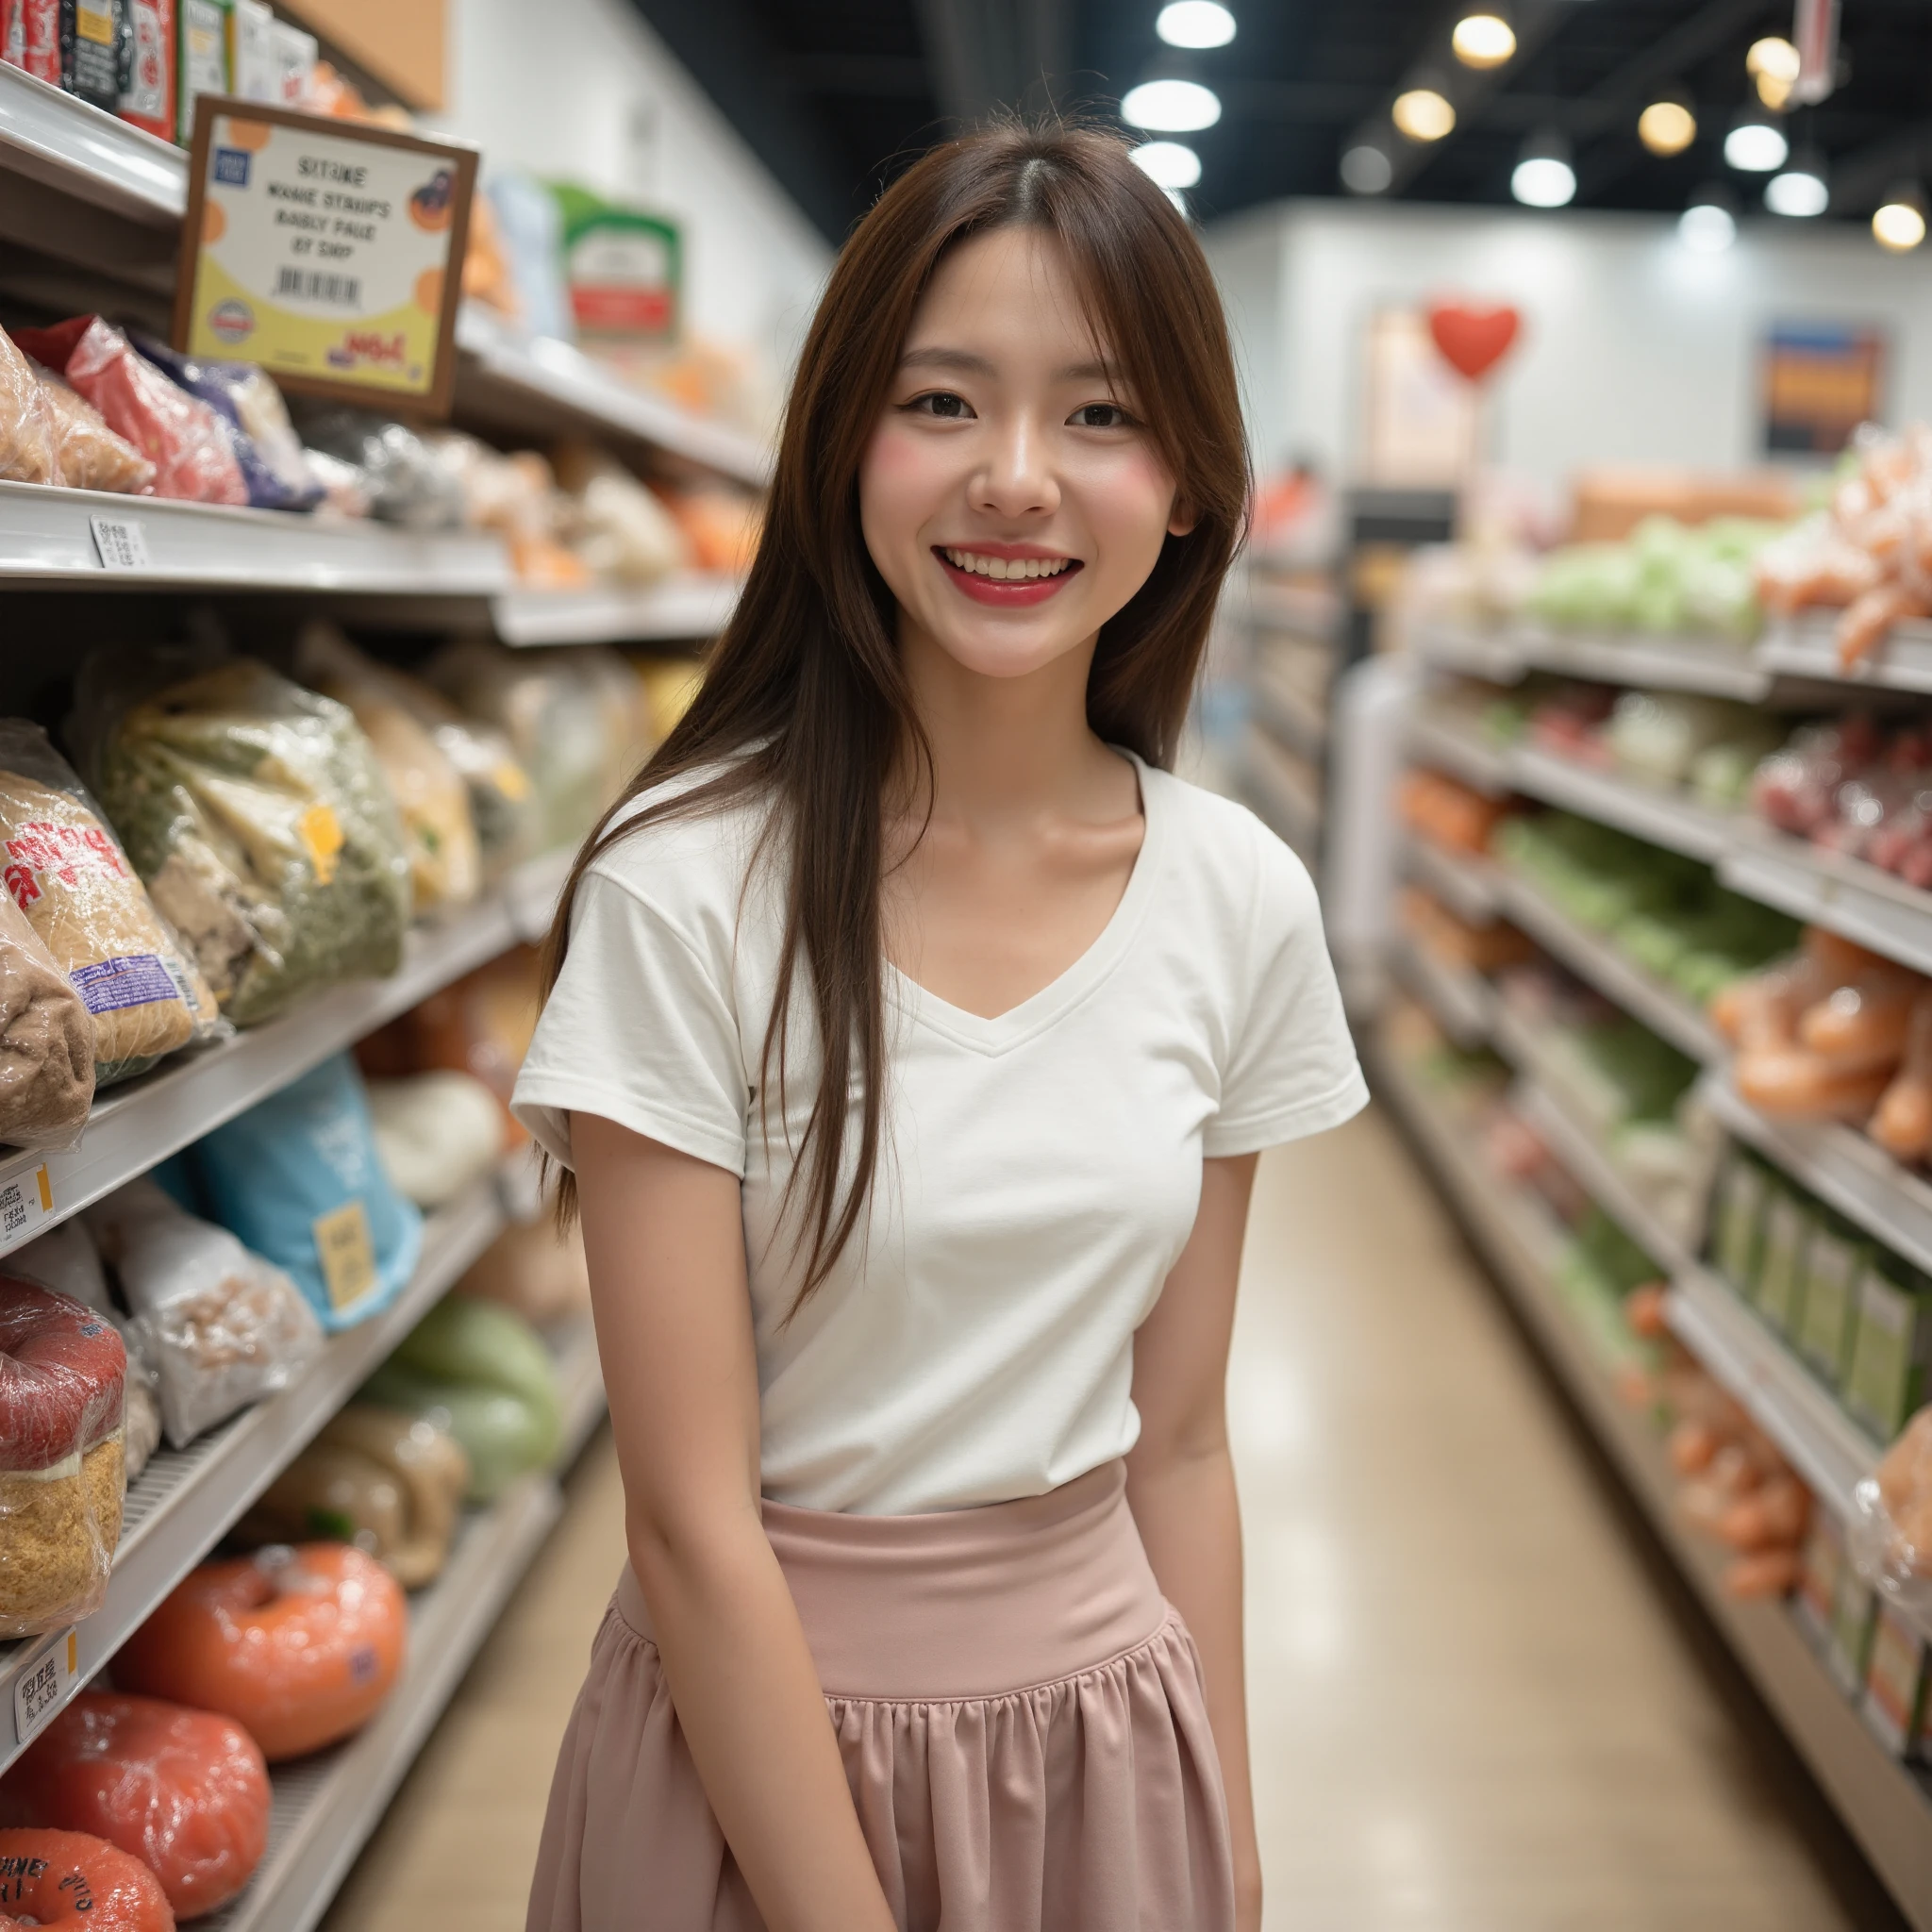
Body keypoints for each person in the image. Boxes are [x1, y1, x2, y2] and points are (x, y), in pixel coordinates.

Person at [513, 119, 1366, 1932]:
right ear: (843, 449)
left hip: (1103, 1752)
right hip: (754, 1772)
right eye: (944, 403)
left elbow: (1187, 1439)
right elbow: (686, 1521)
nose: (1017, 480)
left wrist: (1220, 1843)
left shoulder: (1238, 899)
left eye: (1101, 415)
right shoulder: (684, 891)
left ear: (1194, 483)